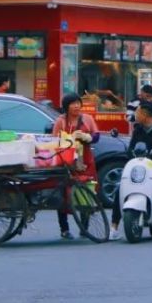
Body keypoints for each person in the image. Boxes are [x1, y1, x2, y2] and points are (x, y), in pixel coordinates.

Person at [109, 101, 152, 241]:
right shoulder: (138, 130)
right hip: (139, 168)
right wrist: (132, 156)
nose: (136, 114)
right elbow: (131, 149)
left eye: (138, 112)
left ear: (145, 115)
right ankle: (114, 227)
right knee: (120, 189)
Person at [52, 93, 100, 240]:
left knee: (86, 194)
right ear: (66, 107)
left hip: (85, 161)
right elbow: (54, 140)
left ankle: (84, 227)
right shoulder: (60, 121)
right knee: (64, 194)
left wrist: (88, 137)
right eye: (73, 104)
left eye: (78, 103)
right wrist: (69, 139)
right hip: (66, 162)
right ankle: (64, 229)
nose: (77, 106)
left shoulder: (87, 119)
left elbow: (96, 135)